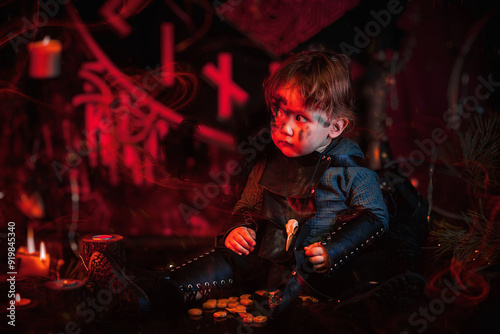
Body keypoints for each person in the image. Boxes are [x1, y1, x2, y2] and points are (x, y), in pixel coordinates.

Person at [87, 50, 393, 318]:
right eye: (279, 112)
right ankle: (141, 289)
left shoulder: (352, 172)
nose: (284, 127)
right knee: (210, 269)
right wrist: (239, 228)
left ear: (335, 127)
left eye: (300, 118)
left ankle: (140, 292)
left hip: (312, 277)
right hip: (259, 266)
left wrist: (333, 251)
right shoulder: (267, 164)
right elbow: (246, 205)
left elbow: (375, 218)